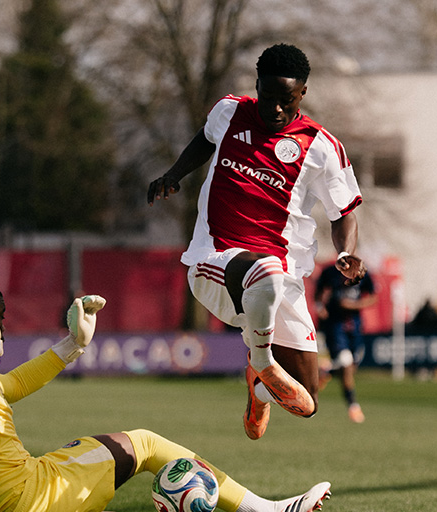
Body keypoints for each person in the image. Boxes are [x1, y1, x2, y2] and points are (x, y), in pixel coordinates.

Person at [0, 273, 331, 512]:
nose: (1, 329)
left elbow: (7, 389)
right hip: (26, 504)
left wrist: (73, 344)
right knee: (146, 443)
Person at [147, 43, 366, 440]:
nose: (276, 109)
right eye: (269, 97)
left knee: (307, 398)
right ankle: (262, 359)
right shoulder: (229, 111)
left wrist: (348, 252)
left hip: (284, 279)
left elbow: (344, 213)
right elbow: (205, 138)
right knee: (263, 268)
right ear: (256, 86)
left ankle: (259, 386)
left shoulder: (322, 148)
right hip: (217, 259)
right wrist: (175, 173)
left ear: (302, 94)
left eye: (287, 100)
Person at [314, 263, 377, 423]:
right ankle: (353, 406)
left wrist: (354, 305)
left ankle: (327, 371)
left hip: (355, 326)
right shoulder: (330, 271)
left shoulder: (363, 272)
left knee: (350, 368)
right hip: (335, 325)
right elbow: (318, 292)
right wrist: (320, 307)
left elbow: (373, 296)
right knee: (346, 363)